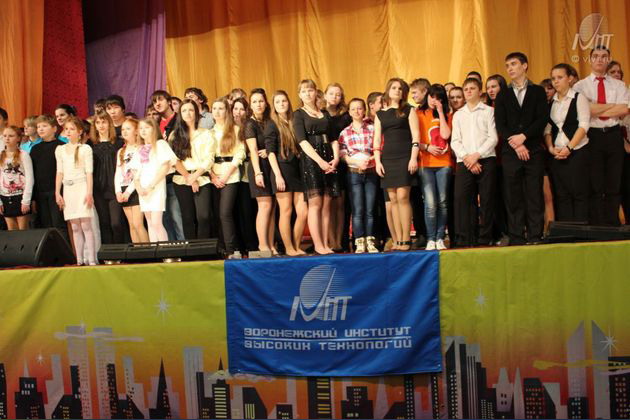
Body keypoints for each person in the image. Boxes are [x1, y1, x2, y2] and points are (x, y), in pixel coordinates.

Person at [494, 52, 549, 245]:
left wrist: (524, 137)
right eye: (507, 65)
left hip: (533, 149)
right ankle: (516, 236)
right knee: (513, 195)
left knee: (534, 193)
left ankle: (535, 235)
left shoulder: (538, 91)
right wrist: (516, 144)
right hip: (511, 152)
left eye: (513, 64)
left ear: (524, 66)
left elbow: (542, 118)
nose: (510, 68)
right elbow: (500, 124)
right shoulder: (503, 94)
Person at [574, 46, 630, 226]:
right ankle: (598, 225)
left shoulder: (619, 85)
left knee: (614, 182)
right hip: (592, 136)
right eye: (596, 56)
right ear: (590, 60)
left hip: (613, 134)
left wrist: (595, 107)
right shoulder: (580, 86)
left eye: (604, 56)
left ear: (608, 59)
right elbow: (585, 110)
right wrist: (611, 105)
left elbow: (624, 109)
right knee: (595, 183)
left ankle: (613, 224)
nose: (600, 59)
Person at [293, 79, 340, 255]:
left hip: (329, 157)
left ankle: (325, 244)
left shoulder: (325, 114)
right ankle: (318, 244)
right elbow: (302, 141)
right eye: (304, 91)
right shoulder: (298, 114)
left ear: (316, 92)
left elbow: (334, 139)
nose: (307, 94)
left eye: (310, 90)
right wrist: (320, 161)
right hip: (312, 159)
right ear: (299, 95)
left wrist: (335, 158)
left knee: (327, 204)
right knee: (315, 204)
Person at [374, 78, 421, 252]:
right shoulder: (380, 114)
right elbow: (377, 140)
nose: (397, 91)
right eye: (394, 88)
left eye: (400, 88)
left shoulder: (409, 110)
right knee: (392, 199)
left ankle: (406, 238)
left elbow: (416, 136)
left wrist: (413, 158)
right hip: (387, 159)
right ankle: (398, 239)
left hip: (405, 157)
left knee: (402, 197)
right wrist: (377, 161)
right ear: (388, 90)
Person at [451, 78, 498, 246]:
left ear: (480, 91)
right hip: (464, 161)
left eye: (472, 88)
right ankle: (466, 238)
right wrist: (468, 158)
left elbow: (493, 138)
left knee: (487, 199)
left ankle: (485, 238)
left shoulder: (489, 111)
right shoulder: (458, 114)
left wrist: (476, 156)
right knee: (462, 199)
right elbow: (455, 141)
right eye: (466, 89)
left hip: (486, 159)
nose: (469, 91)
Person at [544, 63, 590, 223]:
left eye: (560, 77)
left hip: (578, 152)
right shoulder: (551, 102)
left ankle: (581, 232)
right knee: (561, 195)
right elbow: (548, 129)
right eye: (553, 78)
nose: (555, 81)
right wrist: (551, 148)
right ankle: (566, 231)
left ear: (569, 78)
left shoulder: (579, 98)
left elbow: (584, 125)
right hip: (557, 154)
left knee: (579, 193)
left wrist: (569, 148)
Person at [266, 90, 308, 256]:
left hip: (297, 170)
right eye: (277, 102)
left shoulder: (294, 120)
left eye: (284, 101)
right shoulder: (272, 124)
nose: (281, 104)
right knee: (286, 210)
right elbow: (270, 153)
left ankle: (296, 246)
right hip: (282, 169)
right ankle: (289, 248)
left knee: (303, 211)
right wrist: (277, 175)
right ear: (273, 106)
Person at [338, 98, 379, 253]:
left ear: (364, 110)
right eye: (353, 109)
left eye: (360, 108)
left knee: (370, 209)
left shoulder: (372, 129)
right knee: (357, 209)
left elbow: (378, 148)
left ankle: (370, 241)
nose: (357, 111)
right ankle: (359, 241)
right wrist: (356, 162)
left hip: (371, 172)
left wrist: (370, 160)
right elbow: (343, 154)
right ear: (349, 112)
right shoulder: (344, 132)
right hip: (354, 173)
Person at [54, 117, 97, 265]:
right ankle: (79, 259)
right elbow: (60, 172)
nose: (68, 132)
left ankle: (91, 259)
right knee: (75, 226)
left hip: (82, 187)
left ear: (79, 132)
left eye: (72, 129)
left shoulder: (85, 149)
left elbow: (89, 172)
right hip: (68, 188)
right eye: (66, 129)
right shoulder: (60, 150)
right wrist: (57, 192)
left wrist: (89, 192)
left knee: (86, 225)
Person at [171, 99, 214, 239]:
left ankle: (203, 248)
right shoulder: (174, 135)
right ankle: (192, 249)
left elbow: (209, 159)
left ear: (196, 112)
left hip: (202, 178)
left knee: (204, 216)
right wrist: (189, 178)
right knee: (188, 217)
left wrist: (195, 176)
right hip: (182, 179)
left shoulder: (206, 133)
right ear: (180, 114)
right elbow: (174, 160)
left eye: (191, 110)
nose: (188, 113)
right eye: (184, 110)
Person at [417, 84, 453, 250]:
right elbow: (413, 139)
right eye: (432, 97)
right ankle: (431, 238)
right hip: (426, 163)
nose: (434, 100)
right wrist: (426, 147)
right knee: (430, 203)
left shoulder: (446, 114)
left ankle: (440, 238)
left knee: (443, 202)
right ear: (427, 96)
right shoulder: (418, 113)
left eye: (438, 98)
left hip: (443, 163)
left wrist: (440, 112)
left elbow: (445, 135)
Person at [210, 97, 246, 256]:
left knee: (225, 213)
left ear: (227, 111)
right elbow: (206, 158)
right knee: (217, 214)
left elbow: (240, 153)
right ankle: (222, 248)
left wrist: (225, 175)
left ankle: (232, 249)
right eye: (214, 108)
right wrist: (212, 176)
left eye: (221, 108)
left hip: (230, 174)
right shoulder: (209, 133)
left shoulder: (235, 130)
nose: (217, 112)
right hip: (213, 175)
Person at [244, 89, 276, 253]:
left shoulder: (270, 121)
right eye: (255, 101)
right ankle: (263, 246)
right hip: (258, 167)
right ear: (250, 105)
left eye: (261, 101)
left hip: (271, 165)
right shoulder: (250, 124)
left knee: (272, 208)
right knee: (264, 206)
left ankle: (271, 245)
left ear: (266, 103)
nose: (258, 104)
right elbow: (253, 150)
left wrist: (268, 151)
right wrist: (258, 173)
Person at [323, 83, 352, 252]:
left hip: (342, 162)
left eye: (338, 94)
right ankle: (330, 240)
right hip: (324, 161)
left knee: (340, 203)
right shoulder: (320, 114)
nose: (335, 97)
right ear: (325, 95)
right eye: (331, 93)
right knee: (328, 204)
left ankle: (339, 240)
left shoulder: (346, 116)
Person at [90, 112, 125, 244]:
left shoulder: (118, 143)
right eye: (98, 123)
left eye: (104, 122)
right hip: (98, 188)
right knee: (104, 223)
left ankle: (120, 250)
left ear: (109, 124)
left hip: (115, 187)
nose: (101, 125)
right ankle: (109, 252)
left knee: (116, 223)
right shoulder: (91, 145)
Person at [30, 115, 67, 235]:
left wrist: (59, 192)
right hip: (41, 193)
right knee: (45, 226)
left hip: (56, 192)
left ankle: (62, 247)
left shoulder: (61, 146)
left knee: (59, 224)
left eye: (44, 126)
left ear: (54, 129)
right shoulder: (35, 149)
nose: (40, 129)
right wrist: (33, 198)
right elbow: (33, 174)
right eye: (38, 127)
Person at [231, 97, 259, 253]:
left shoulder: (250, 126)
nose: (238, 112)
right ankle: (241, 245)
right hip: (233, 173)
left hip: (249, 172)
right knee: (238, 211)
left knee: (250, 210)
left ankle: (252, 244)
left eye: (241, 109)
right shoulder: (229, 128)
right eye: (235, 108)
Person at [115, 118, 148, 243]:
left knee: (138, 224)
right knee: (132, 225)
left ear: (136, 131)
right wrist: (118, 191)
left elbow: (140, 173)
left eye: (128, 129)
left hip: (135, 188)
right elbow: (118, 173)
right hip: (124, 189)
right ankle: (138, 252)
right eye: (123, 129)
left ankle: (149, 252)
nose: (124, 131)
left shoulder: (142, 149)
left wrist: (128, 192)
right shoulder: (121, 151)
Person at [607, 61, 630, 224]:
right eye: (613, 72)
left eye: (619, 72)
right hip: (613, 146)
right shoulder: (603, 94)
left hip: (628, 146)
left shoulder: (627, 92)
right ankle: (613, 222)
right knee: (616, 187)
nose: (617, 74)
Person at [0, 126, 33, 230]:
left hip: (20, 196)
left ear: (18, 138)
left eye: (11, 136)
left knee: (23, 230)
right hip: (5, 197)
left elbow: (30, 178)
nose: (7, 138)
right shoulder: (1, 155)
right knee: (11, 231)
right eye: (5, 136)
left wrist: (26, 200)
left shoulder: (24, 155)